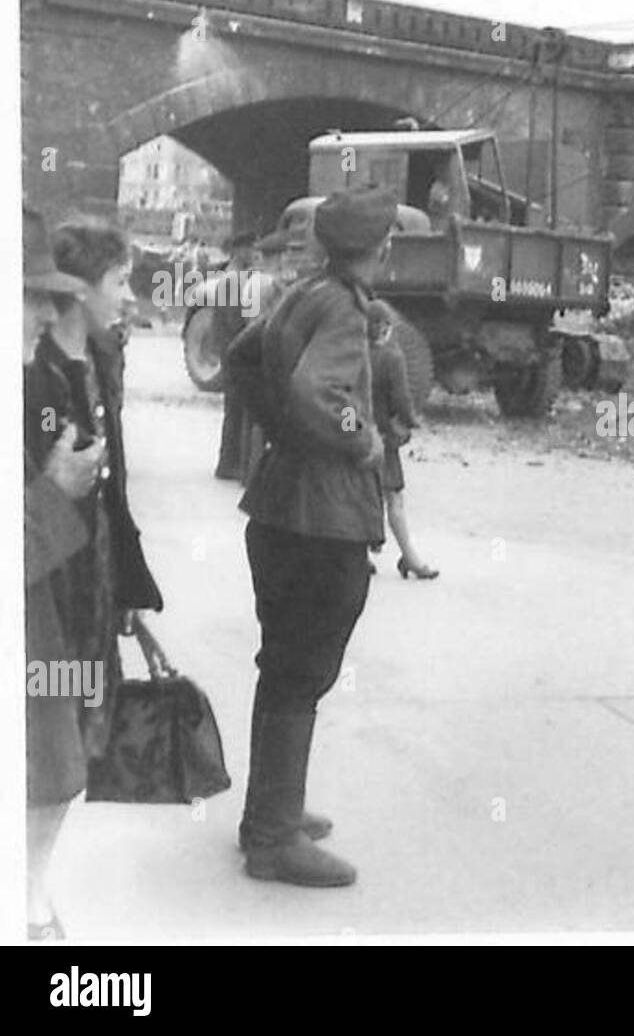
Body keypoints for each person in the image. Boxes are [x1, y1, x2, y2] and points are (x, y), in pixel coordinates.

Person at [223, 186, 395, 887]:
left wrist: (287, 435)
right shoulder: (346, 312)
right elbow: (320, 396)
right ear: (377, 249)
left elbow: (239, 362)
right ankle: (273, 840)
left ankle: (270, 814)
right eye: (387, 241)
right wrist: (360, 442)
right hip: (323, 520)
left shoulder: (301, 293)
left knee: (284, 665)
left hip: (278, 507)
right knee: (303, 671)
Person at [25, 211, 164, 936]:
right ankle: (28, 899)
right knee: (49, 746)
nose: (131, 294)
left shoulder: (102, 355)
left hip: (94, 574)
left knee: (77, 731)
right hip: (48, 583)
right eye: (120, 280)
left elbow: (112, 485)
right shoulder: (33, 371)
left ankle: (33, 882)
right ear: (77, 291)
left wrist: (126, 590)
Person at [367, 300, 438, 580]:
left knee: (363, 496)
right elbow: (402, 400)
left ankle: (362, 556)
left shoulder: (353, 353)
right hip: (384, 439)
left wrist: (349, 427)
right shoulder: (392, 357)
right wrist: (411, 421)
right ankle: (410, 557)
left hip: (358, 435)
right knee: (394, 498)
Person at [214, 230, 260, 481]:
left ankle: (229, 461)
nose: (254, 254)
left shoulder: (234, 277)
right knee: (238, 408)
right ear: (238, 251)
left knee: (235, 408)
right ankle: (231, 463)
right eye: (250, 249)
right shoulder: (233, 280)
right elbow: (235, 322)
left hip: (231, 350)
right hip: (234, 350)